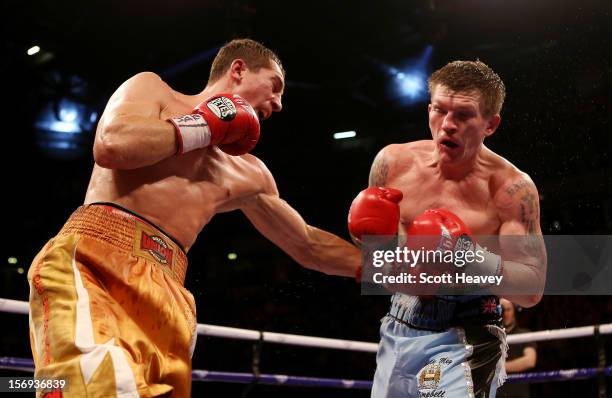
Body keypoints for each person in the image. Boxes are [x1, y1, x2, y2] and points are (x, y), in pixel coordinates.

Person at [27, 38, 361, 398]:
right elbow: (111, 145)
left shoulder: (250, 174)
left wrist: (405, 264)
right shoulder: (153, 89)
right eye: (275, 86)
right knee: (95, 384)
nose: (278, 104)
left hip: (170, 292)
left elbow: (309, 245)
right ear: (238, 70)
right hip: (96, 260)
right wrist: (202, 126)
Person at [348, 60, 547, 397]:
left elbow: (532, 288)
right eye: (440, 110)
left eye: (464, 115)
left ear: (491, 124)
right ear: (429, 109)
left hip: (467, 331)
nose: (448, 125)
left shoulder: (511, 189)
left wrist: (466, 257)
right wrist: (371, 242)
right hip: (400, 323)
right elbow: (378, 267)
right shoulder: (392, 164)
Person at [496, 299, 537, 398]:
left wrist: (499, 368)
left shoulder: (524, 334)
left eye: (508, 309)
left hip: (518, 394)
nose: (505, 313)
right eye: (502, 310)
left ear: (514, 311)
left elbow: (530, 361)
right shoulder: (493, 337)